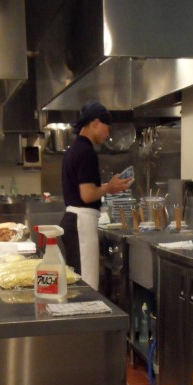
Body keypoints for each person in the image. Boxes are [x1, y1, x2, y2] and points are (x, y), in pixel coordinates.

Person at [59, 101, 132, 289]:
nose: (108, 134)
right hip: (81, 223)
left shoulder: (75, 149)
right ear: (96, 123)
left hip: (75, 221)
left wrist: (109, 187)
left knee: (79, 284)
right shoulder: (86, 152)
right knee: (87, 285)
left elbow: (85, 190)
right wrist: (108, 188)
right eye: (108, 128)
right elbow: (87, 195)